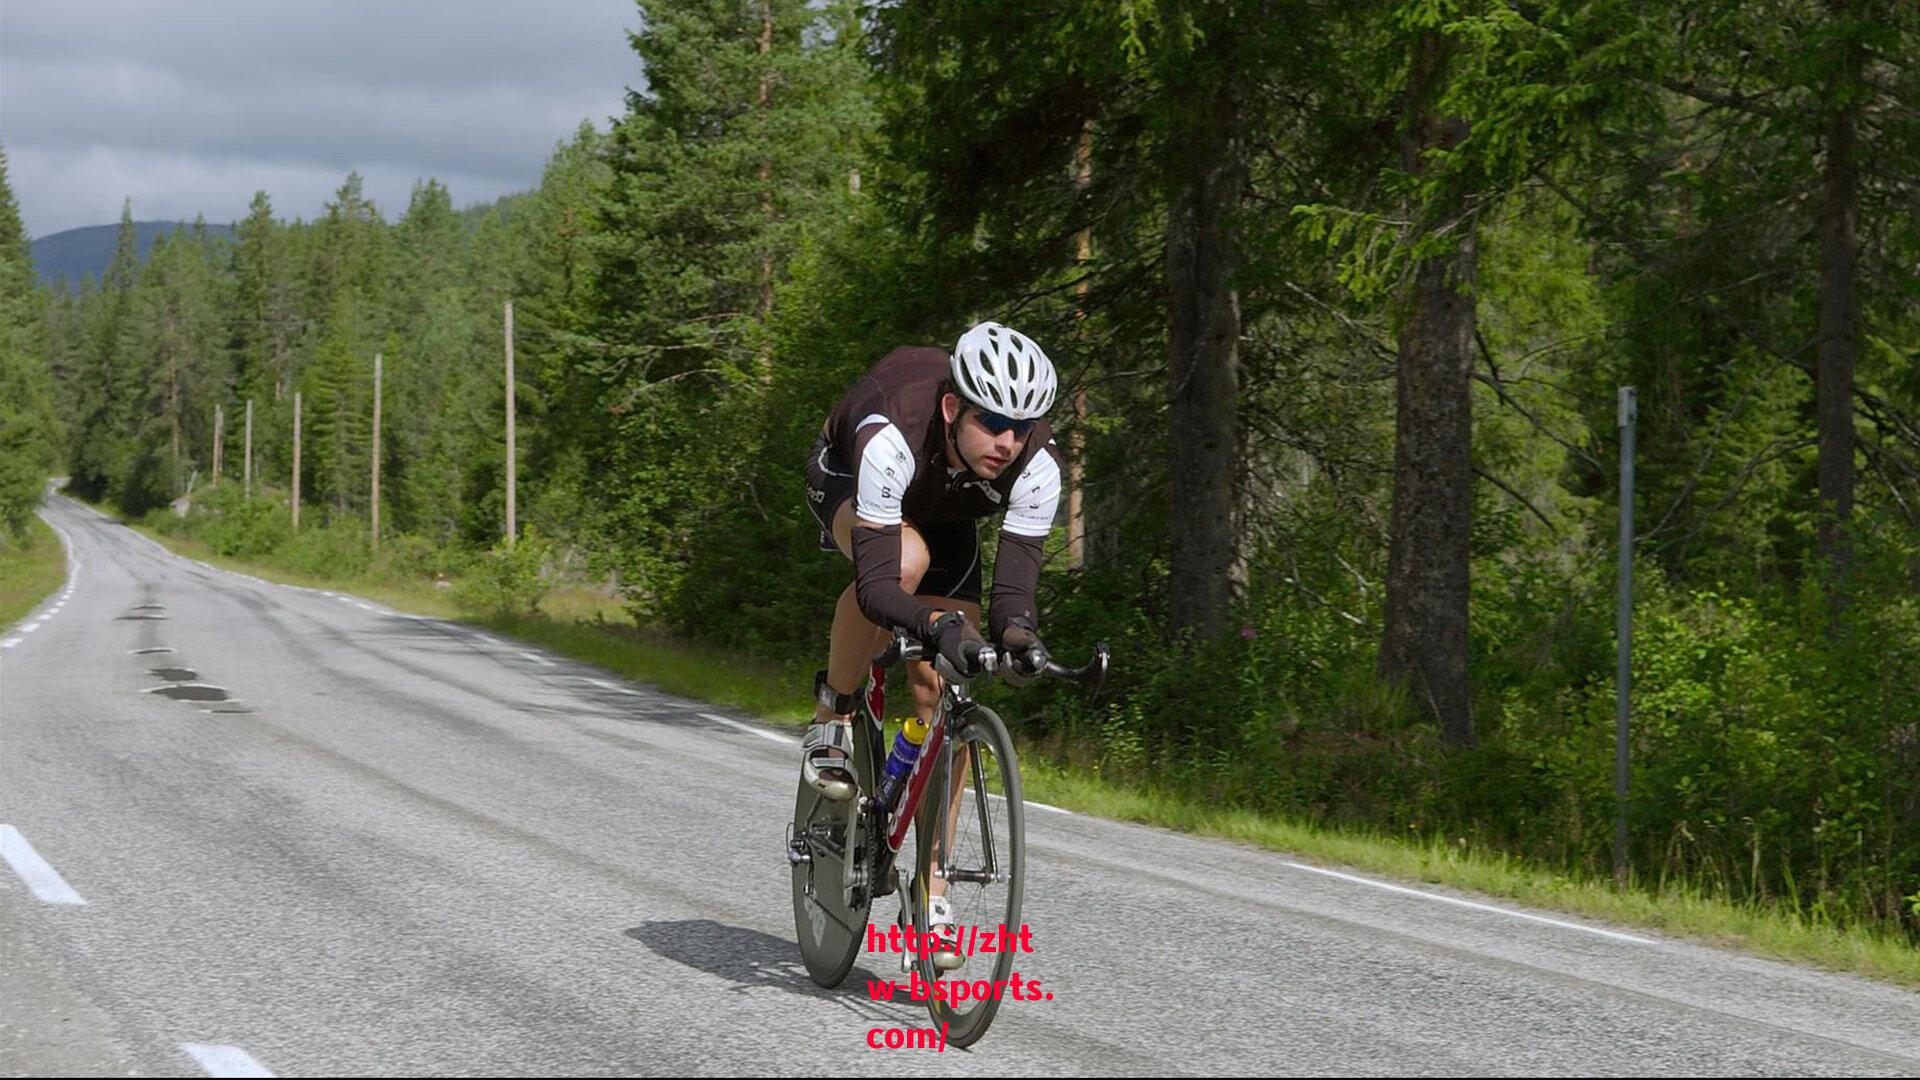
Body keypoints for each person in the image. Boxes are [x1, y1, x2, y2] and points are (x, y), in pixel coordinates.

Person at [801, 320, 1061, 968]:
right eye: (992, 421)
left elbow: (1011, 600)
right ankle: (832, 718)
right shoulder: (891, 431)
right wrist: (934, 623)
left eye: (1021, 427)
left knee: (942, 685)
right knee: (907, 563)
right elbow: (881, 586)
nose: (1007, 441)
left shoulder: (1036, 464)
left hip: (948, 513)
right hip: (850, 482)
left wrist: (1019, 639)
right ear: (952, 408)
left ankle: (931, 884)